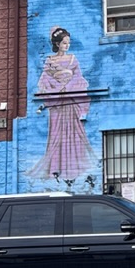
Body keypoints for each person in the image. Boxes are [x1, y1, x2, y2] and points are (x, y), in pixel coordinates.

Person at [29, 27, 96, 180]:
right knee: (56, 133)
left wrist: (68, 87)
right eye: (64, 43)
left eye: (68, 43)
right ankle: (55, 167)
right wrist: (59, 88)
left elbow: (79, 78)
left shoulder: (73, 59)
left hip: (70, 101)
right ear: (57, 44)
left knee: (74, 131)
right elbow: (44, 81)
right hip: (57, 103)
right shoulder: (49, 61)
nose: (67, 45)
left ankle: (74, 165)